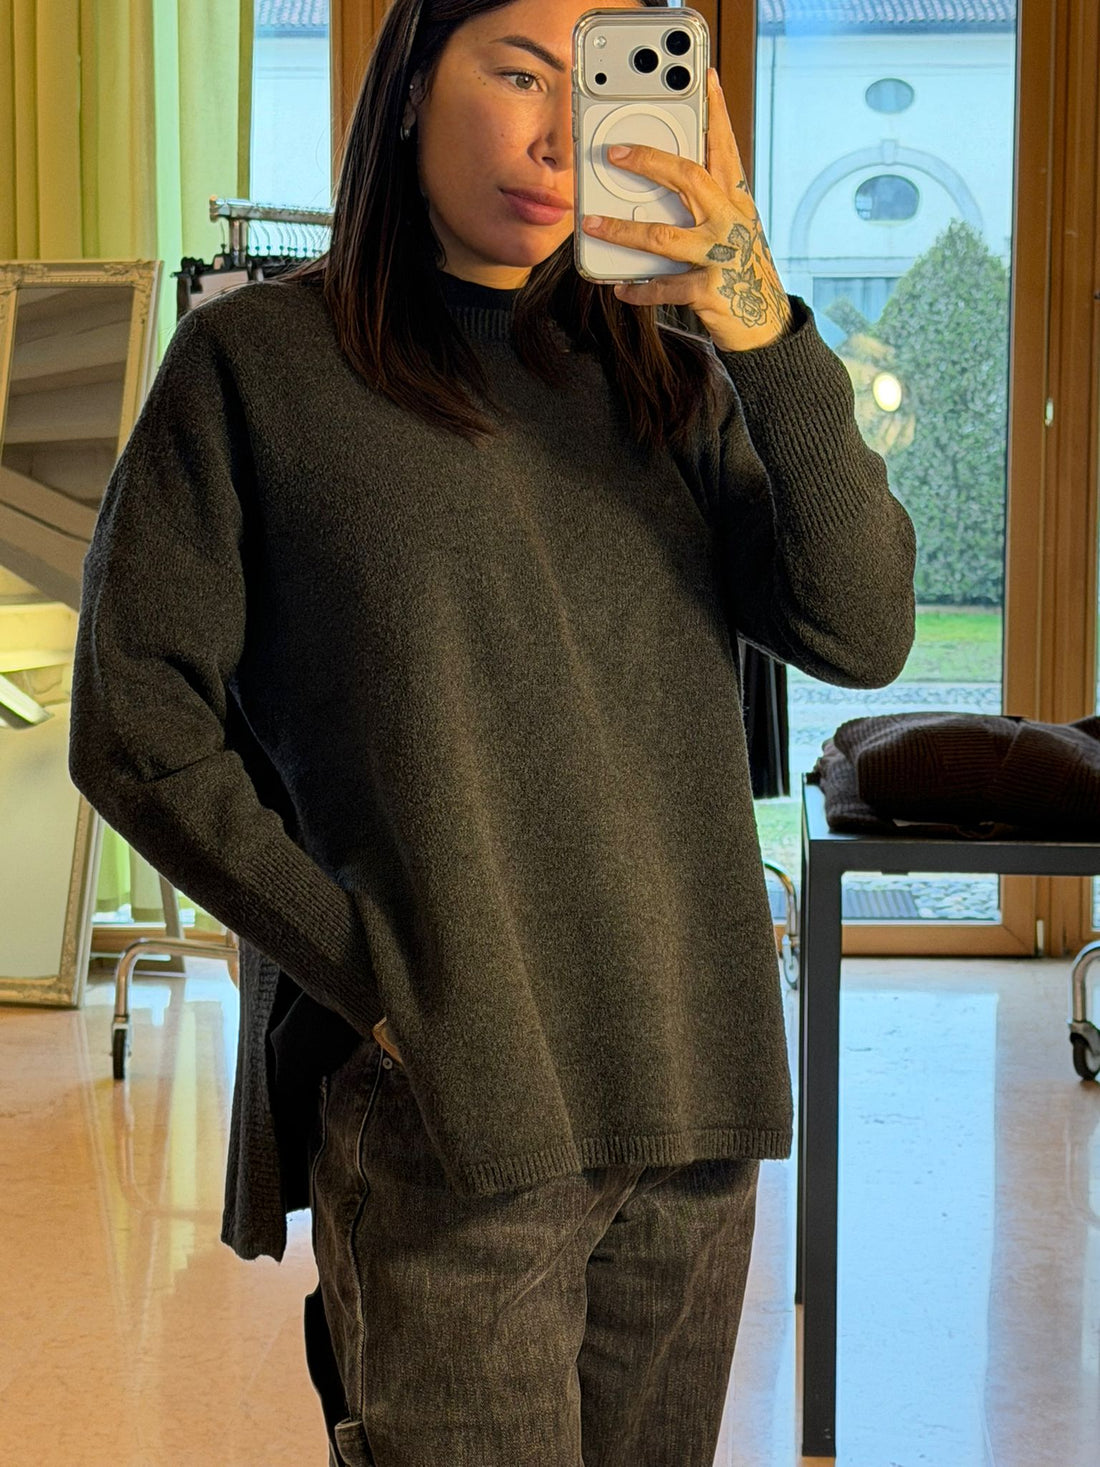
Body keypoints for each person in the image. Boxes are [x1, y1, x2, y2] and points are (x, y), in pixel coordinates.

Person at [67, 0, 917, 1462]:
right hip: (454, 1111)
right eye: (518, 73)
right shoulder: (257, 366)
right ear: (409, 87)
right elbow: (135, 724)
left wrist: (756, 321)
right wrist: (370, 979)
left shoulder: (673, 373)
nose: (555, 137)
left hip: (690, 1090)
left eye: (592, 88)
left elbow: (862, 628)